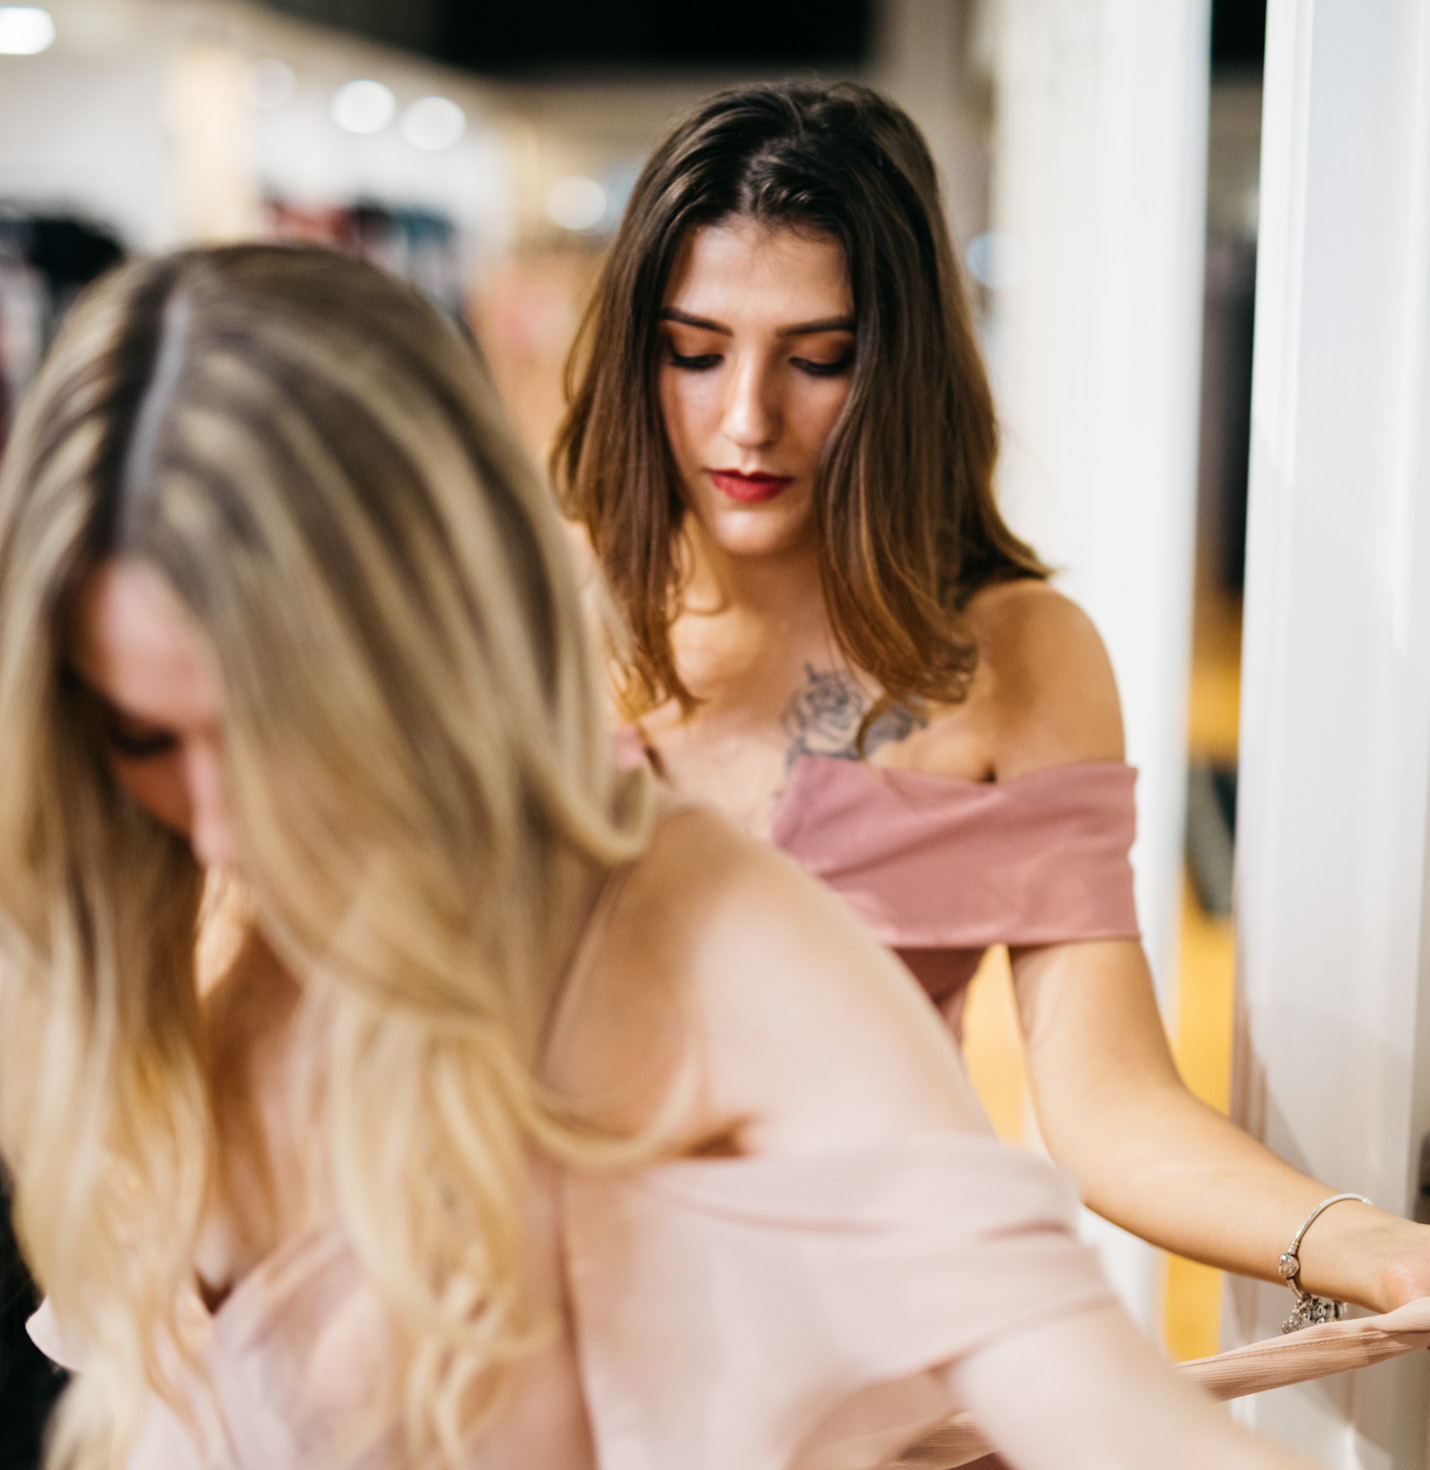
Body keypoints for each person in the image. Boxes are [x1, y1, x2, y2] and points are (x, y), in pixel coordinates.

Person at [0, 243, 1320, 1470]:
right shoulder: (120, 904)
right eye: (138, 733)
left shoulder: (703, 928)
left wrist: (1347, 1242)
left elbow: (1088, 1369)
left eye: (281, 730)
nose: (224, 823)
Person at [553, 78, 1430, 1324]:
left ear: (901, 372)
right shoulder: (516, 618)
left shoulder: (1016, 658)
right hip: (552, 1355)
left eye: (817, 362)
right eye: (694, 353)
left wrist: (1380, 1254)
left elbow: (1107, 1100)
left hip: (887, 1355)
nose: (744, 421)